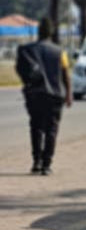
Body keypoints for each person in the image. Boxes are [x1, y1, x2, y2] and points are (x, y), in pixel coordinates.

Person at [15, 18, 72, 175]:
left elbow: (19, 70)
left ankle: (36, 162)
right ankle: (47, 164)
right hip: (55, 95)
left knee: (36, 127)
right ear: (51, 32)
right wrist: (68, 95)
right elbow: (65, 75)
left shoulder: (26, 50)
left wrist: (28, 83)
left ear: (39, 32)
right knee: (51, 129)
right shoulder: (59, 51)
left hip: (34, 94)